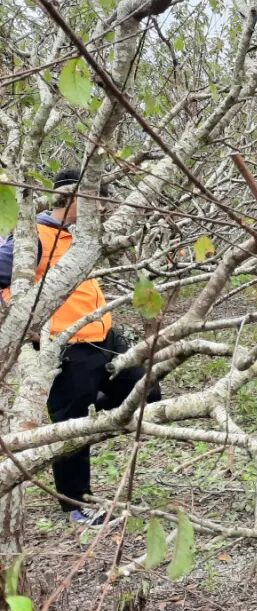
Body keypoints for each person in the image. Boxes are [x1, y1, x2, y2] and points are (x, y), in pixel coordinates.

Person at [0, 169, 162, 524]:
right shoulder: (35, 237)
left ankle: (92, 413)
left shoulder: (81, 236)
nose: (102, 209)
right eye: (95, 201)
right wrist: (27, 326)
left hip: (104, 338)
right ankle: (74, 505)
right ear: (71, 199)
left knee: (146, 391)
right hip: (66, 345)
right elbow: (4, 276)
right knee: (70, 428)